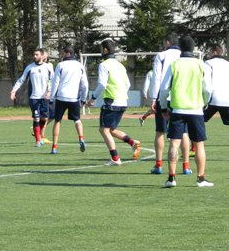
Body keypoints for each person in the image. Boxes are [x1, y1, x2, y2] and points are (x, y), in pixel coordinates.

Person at [157, 36, 213, 187]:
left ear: (180, 48)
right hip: (196, 109)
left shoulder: (174, 64)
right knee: (199, 144)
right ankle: (201, 178)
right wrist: (205, 102)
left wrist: (163, 107)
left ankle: (171, 178)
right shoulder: (202, 65)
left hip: (178, 109)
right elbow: (207, 88)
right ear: (194, 48)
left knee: (174, 143)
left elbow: (163, 89)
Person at [86, 39, 141, 165]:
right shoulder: (119, 65)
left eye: (101, 49)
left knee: (103, 130)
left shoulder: (104, 65)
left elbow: (101, 84)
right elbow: (127, 84)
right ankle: (133, 142)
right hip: (122, 101)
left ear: (105, 50)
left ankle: (115, 158)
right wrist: (121, 95)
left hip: (112, 101)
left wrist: (92, 98)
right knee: (111, 129)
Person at [148, 34, 191, 175]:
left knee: (160, 131)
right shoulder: (184, 55)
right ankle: (185, 166)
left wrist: (154, 98)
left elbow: (156, 77)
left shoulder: (161, 55)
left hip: (164, 96)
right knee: (183, 132)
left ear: (167, 42)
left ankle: (158, 165)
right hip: (180, 98)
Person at [47, 45, 89, 154]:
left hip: (61, 97)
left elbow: (55, 82)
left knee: (57, 121)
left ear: (68, 54)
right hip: (74, 98)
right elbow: (85, 84)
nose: (62, 55)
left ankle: (54, 147)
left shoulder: (60, 65)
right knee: (77, 120)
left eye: (63, 53)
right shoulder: (80, 66)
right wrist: (84, 98)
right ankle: (81, 137)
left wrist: (52, 98)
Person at [9, 48, 53, 147]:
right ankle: (38, 140)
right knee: (36, 119)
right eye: (34, 54)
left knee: (44, 118)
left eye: (37, 54)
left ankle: (40, 136)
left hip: (45, 97)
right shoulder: (30, 67)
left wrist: (49, 92)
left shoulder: (48, 67)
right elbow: (21, 80)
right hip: (34, 97)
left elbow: (52, 80)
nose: (35, 56)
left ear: (42, 56)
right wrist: (13, 91)